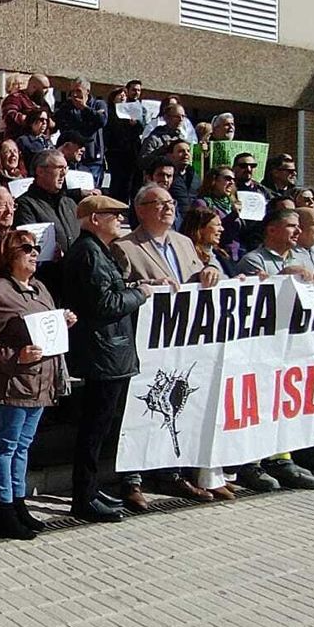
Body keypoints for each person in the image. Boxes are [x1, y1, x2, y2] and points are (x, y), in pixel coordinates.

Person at [110, 186, 225, 508]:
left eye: (171, 203)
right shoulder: (125, 246)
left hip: (181, 343)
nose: (168, 209)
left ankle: (170, 472)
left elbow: (195, 276)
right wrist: (146, 287)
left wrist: (208, 270)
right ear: (141, 209)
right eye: (160, 204)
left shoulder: (184, 242)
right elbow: (118, 289)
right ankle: (131, 479)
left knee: (176, 410)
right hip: (144, 343)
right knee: (139, 410)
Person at [0, 230, 76, 539]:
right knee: (5, 447)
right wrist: (15, 356)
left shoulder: (40, 288)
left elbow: (44, 327)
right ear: (9, 256)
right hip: (10, 384)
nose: (33, 253)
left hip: (40, 384)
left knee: (23, 447)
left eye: (36, 248)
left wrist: (62, 321)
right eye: (26, 248)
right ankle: (2, 510)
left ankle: (18, 503)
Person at [62, 194, 147, 523]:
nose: (120, 219)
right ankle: (83, 496)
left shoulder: (98, 251)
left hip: (110, 352)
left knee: (101, 426)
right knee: (93, 428)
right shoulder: (88, 253)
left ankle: (91, 488)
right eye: (113, 214)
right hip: (102, 353)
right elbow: (104, 304)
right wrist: (140, 293)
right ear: (94, 219)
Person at [234, 208, 314, 491]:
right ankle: (250, 463)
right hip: (261, 349)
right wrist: (283, 277)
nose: (297, 232)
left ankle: (282, 459)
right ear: (272, 230)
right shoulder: (253, 260)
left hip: (294, 347)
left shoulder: (303, 258)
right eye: (291, 226)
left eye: (299, 227)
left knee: (284, 404)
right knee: (257, 405)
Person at [13, 149, 82, 301]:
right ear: (40, 171)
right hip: (48, 285)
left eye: (66, 168)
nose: (64, 173)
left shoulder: (70, 203)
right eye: (59, 168)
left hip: (75, 284)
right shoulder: (25, 204)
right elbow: (27, 243)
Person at [52, 77, 108, 185]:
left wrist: (84, 108)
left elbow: (102, 121)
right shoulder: (67, 107)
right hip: (73, 158)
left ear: (87, 91)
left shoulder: (98, 104)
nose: (74, 95)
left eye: (78, 91)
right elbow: (58, 123)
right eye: (72, 91)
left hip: (92, 158)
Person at [191, 164, 245, 262]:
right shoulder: (203, 203)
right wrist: (232, 216)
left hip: (237, 255)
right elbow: (202, 234)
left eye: (233, 179)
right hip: (216, 255)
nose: (231, 182)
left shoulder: (233, 203)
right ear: (214, 180)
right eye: (227, 178)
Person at [181, 206, 240, 278]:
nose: (222, 229)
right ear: (200, 228)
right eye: (217, 225)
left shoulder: (221, 254)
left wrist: (236, 280)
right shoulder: (188, 257)